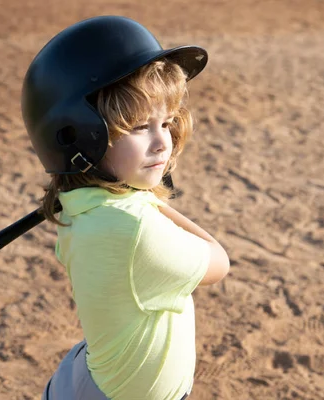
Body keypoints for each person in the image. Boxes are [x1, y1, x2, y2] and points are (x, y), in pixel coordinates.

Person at [21, 16, 230, 400]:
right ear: (79, 135)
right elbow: (219, 261)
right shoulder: (133, 227)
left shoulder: (79, 207)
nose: (162, 142)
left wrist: (140, 193)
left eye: (166, 122)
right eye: (138, 128)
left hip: (98, 382)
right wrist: (151, 197)